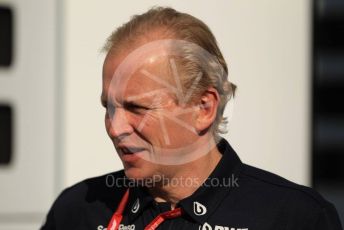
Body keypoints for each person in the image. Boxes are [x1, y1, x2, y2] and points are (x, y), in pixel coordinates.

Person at [41, 7, 343, 230]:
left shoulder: (295, 218)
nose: (115, 128)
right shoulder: (77, 209)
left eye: (137, 108)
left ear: (203, 108)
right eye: (108, 107)